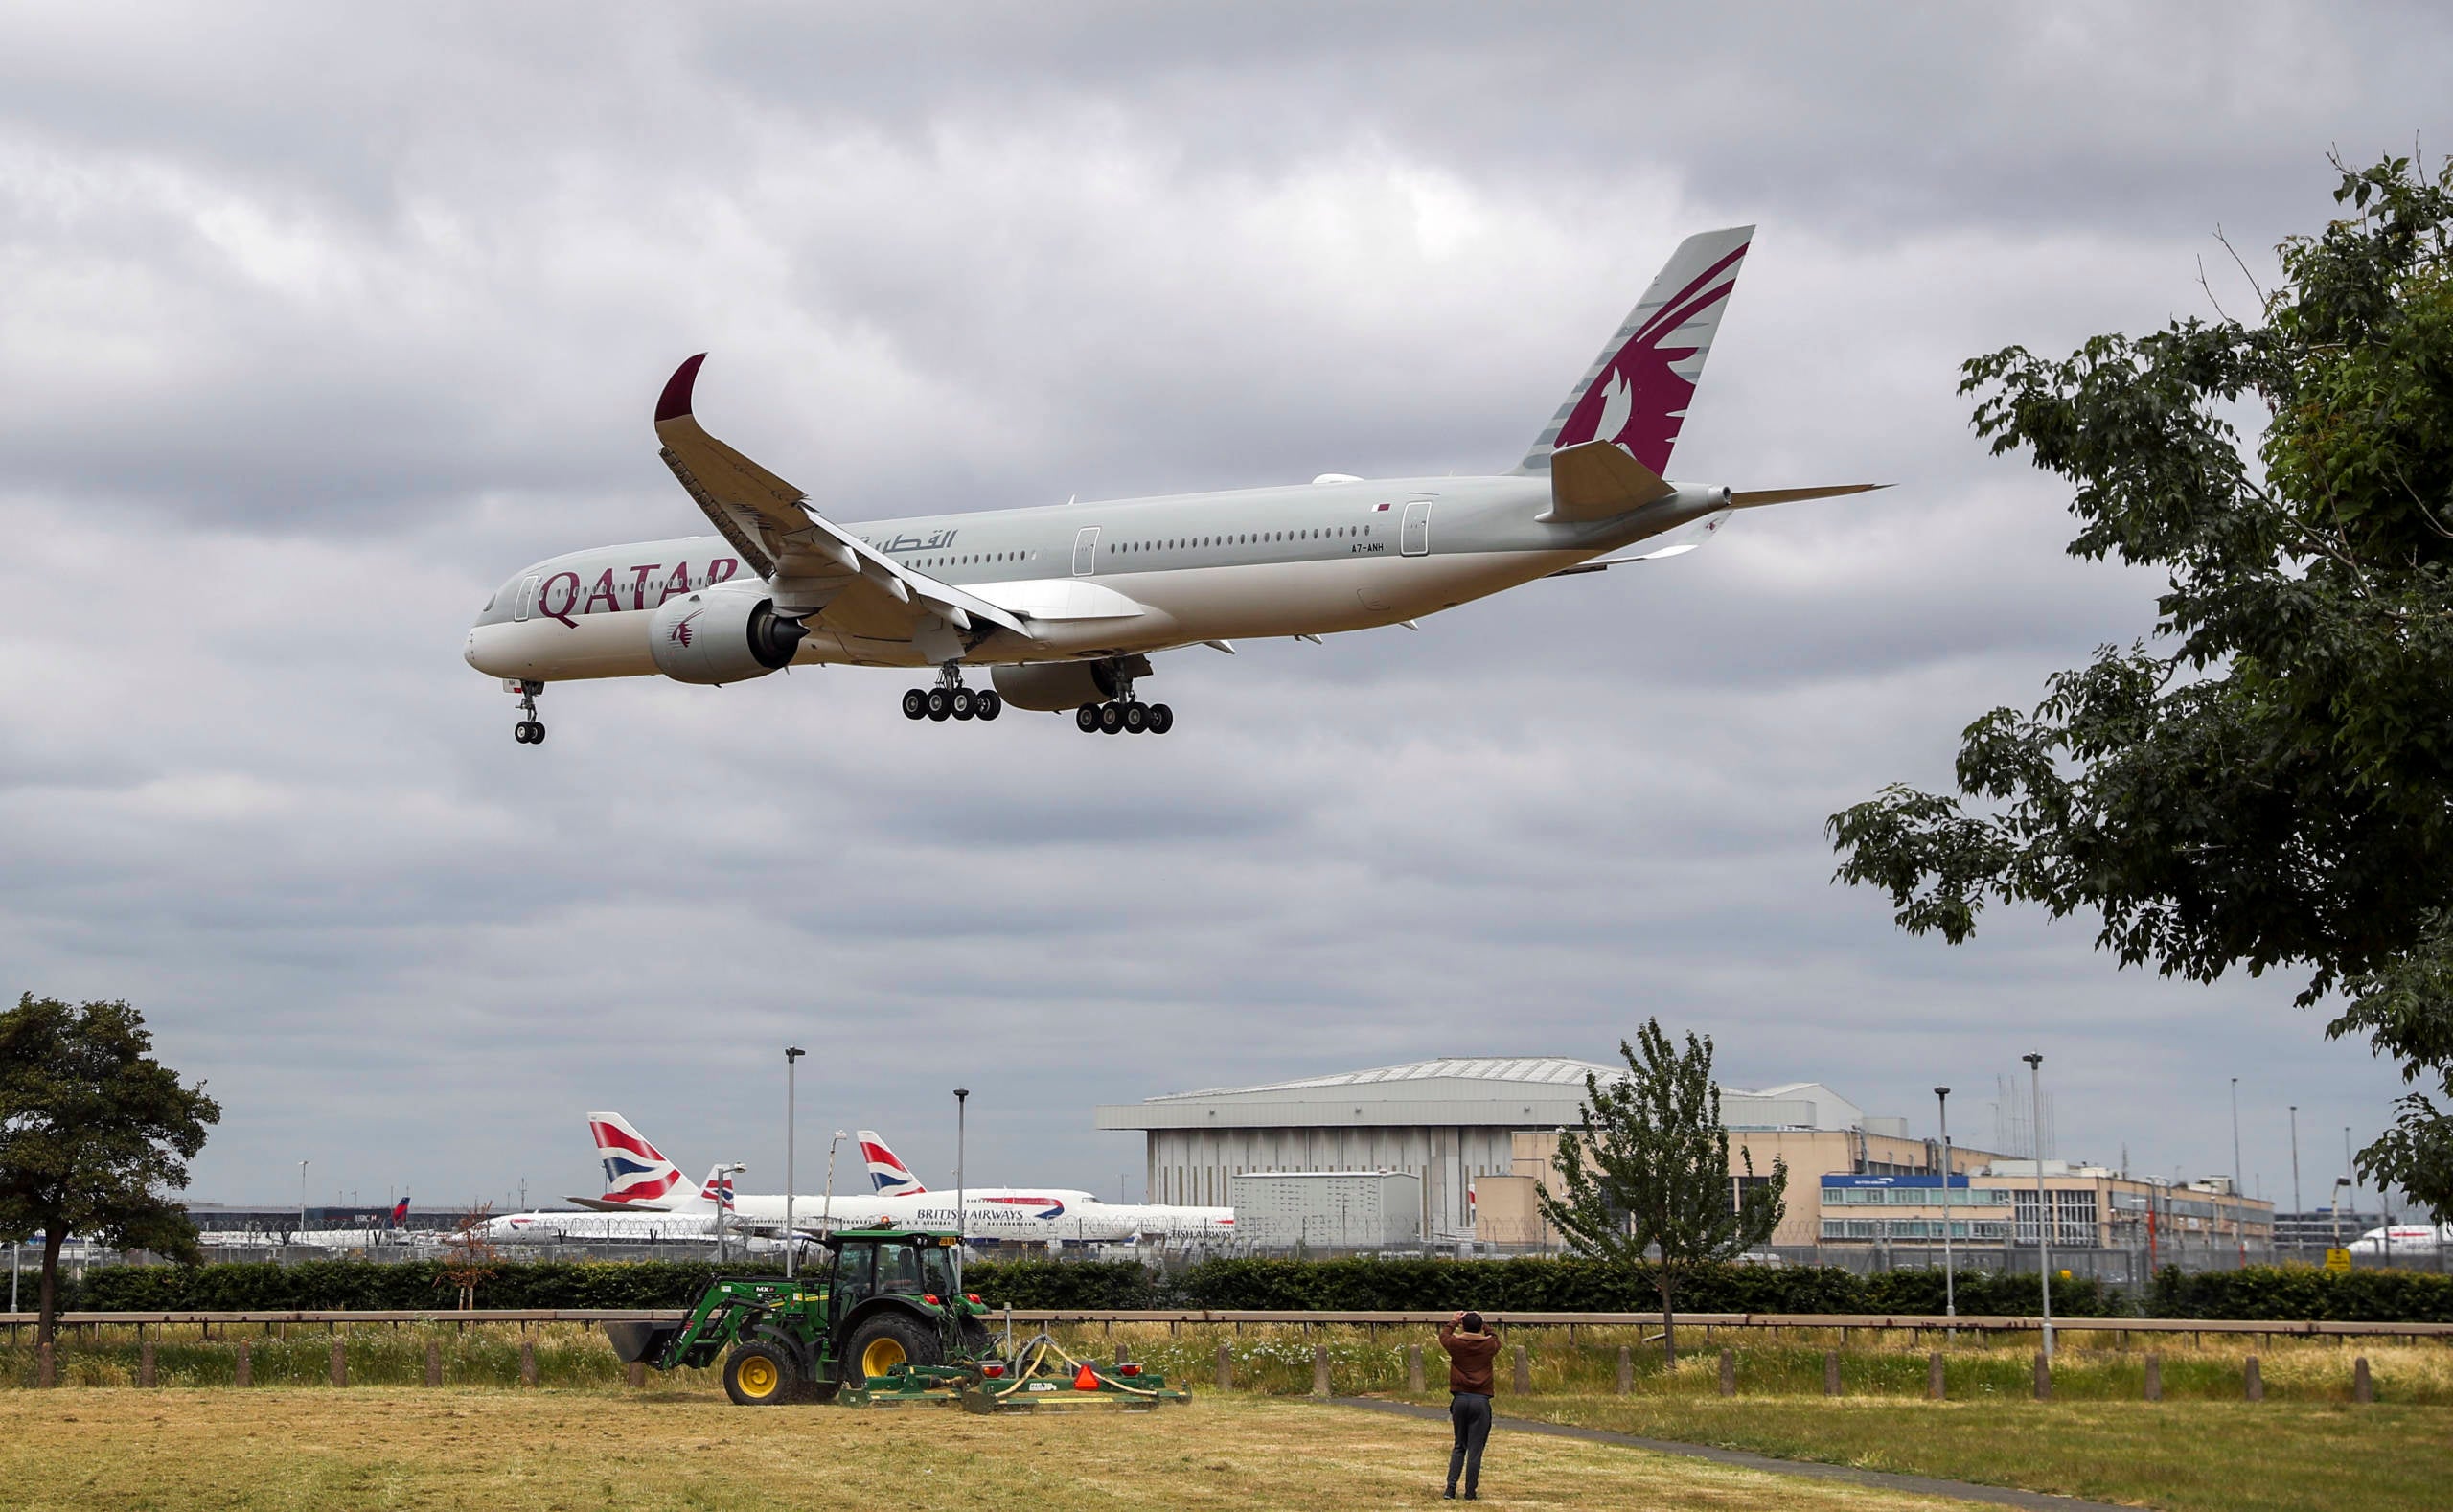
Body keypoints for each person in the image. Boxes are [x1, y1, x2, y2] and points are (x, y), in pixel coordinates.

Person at [1437, 1310, 1499, 1500]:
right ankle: (1470, 1492)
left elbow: (1444, 1336)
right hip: (1480, 1400)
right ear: (1480, 1327)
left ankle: (1450, 1488)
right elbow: (1495, 1337)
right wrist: (1485, 1323)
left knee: (1459, 1445)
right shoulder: (1489, 1345)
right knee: (1475, 1449)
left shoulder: (1456, 1344)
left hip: (1461, 1399)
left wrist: (1453, 1321)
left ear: (1463, 1326)